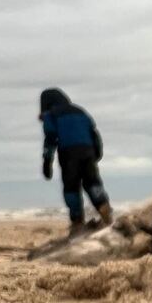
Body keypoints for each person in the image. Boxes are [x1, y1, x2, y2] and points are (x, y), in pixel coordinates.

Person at [39, 88, 113, 235]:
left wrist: (47, 162)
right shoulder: (80, 111)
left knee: (71, 187)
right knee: (93, 182)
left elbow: (50, 138)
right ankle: (104, 207)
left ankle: (77, 221)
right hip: (88, 152)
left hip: (68, 154)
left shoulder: (51, 115)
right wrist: (96, 154)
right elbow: (94, 133)